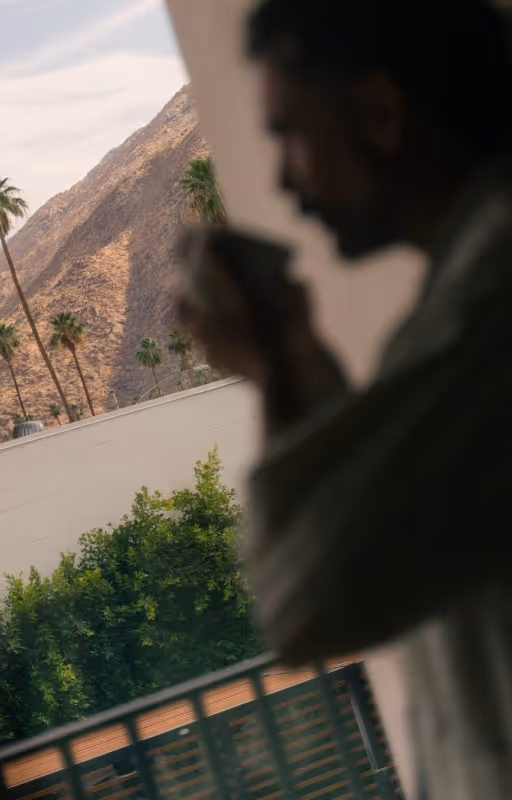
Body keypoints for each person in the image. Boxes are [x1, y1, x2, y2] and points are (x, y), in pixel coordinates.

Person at [178, 1, 512, 798]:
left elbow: (309, 598)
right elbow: (396, 519)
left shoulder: (494, 296)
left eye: (290, 134)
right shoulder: (456, 305)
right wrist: (293, 360)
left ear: (381, 112)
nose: (287, 180)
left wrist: (277, 371)